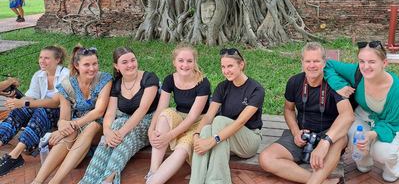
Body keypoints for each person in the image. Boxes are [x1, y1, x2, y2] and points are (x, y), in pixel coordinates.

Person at [259, 42, 354, 184]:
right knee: (266, 158)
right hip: (304, 135)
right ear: (302, 63)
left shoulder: (335, 84)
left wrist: (325, 142)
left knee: (341, 138)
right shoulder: (295, 82)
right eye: (308, 61)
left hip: (330, 136)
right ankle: (328, 182)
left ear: (324, 63)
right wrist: (296, 131)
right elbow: (288, 109)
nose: (312, 65)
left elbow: (348, 116)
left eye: (316, 61)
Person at [323, 41, 399, 183]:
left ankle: (393, 167)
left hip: (389, 124)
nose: (365, 67)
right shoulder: (356, 72)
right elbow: (327, 64)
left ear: (384, 63)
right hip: (362, 117)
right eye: (362, 61)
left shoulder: (396, 87)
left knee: (383, 152)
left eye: (372, 62)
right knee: (355, 139)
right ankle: (363, 161)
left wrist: (370, 135)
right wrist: (339, 85)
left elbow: (393, 122)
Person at [31, 45, 113, 184]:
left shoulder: (104, 79)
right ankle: (38, 181)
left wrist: (70, 126)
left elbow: (99, 111)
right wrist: (62, 126)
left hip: (99, 127)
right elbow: (64, 117)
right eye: (86, 65)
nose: (92, 68)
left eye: (95, 64)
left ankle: (54, 182)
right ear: (76, 65)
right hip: (77, 130)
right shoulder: (67, 85)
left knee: (91, 126)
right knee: (68, 132)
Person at [80, 46, 160, 184]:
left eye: (133, 60)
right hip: (127, 122)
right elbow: (110, 113)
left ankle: (108, 179)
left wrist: (121, 132)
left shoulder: (149, 78)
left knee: (125, 132)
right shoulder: (117, 84)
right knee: (115, 127)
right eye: (124, 62)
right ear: (116, 66)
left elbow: (143, 108)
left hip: (150, 121)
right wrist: (107, 132)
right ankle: (89, 180)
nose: (130, 65)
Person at [190, 48, 264, 184]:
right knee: (206, 130)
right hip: (225, 140)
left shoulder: (256, 89)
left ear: (241, 65)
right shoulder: (222, 87)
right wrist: (196, 135)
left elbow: (240, 122)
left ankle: (216, 181)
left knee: (219, 122)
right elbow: (208, 117)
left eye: (230, 66)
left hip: (248, 140)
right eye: (223, 67)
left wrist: (213, 140)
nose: (226, 71)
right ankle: (196, 181)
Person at [0, 46, 70, 177]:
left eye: (47, 58)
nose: (42, 61)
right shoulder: (39, 75)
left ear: (57, 60)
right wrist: (16, 103)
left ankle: (14, 156)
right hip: (43, 111)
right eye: (41, 57)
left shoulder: (65, 74)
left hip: (61, 113)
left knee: (42, 111)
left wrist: (25, 102)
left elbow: (55, 103)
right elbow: (30, 97)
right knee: (19, 111)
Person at [145, 44, 211, 183]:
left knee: (182, 149)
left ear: (194, 62)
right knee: (164, 115)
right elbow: (161, 107)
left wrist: (169, 135)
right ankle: (154, 170)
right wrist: (151, 130)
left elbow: (193, 116)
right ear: (174, 62)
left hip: (197, 123)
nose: (185, 65)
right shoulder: (170, 79)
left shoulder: (203, 83)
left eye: (189, 61)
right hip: (179, 117)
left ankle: (154, 182)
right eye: (181, 61)